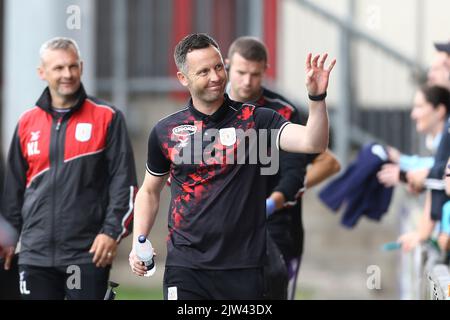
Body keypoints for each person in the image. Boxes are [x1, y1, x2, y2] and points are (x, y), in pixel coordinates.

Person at [129, 33, 335, 300]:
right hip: (186, 267)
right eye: (203, 71)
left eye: (218, 67)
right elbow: (149, 191)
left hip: (245, 268)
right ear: (183, 79)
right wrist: (139, 241)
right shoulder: (166, 131)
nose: (215, 76)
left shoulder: (256, 120)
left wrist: (316, 98)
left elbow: (313, 142)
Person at [1, 37, 138, 300]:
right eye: (59, 68)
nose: (68, 74)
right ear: (42, 73)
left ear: (82, 67)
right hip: (35, 255)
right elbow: (13, 190)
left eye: (73, 66)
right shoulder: (26, 123)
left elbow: (125, 185)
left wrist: (111, 232)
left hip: (86, 254)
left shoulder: (108, 117)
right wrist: (9, 238)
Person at [225, 36, 340, 299]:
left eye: (255, 74)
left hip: (277, 228)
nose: (247, 81)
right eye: (241, 72)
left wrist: (269, 204)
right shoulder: (214, 109)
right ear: (228, 65)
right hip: (226, 227)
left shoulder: (283, 112)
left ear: (266, 69)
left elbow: (296, 172)